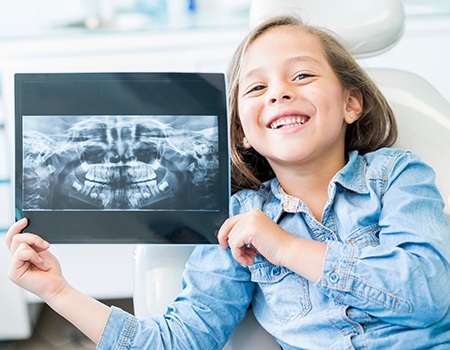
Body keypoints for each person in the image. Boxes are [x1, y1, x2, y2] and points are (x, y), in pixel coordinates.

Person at [6, 15, 450, 349]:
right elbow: (177, 342)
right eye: (256, 89)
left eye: (302, 75)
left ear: (352, 102)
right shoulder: (237, 221)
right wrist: (57, 291)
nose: (278, 92)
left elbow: (430, 293)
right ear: (240, 130)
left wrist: (286, 246)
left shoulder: (397, 178)